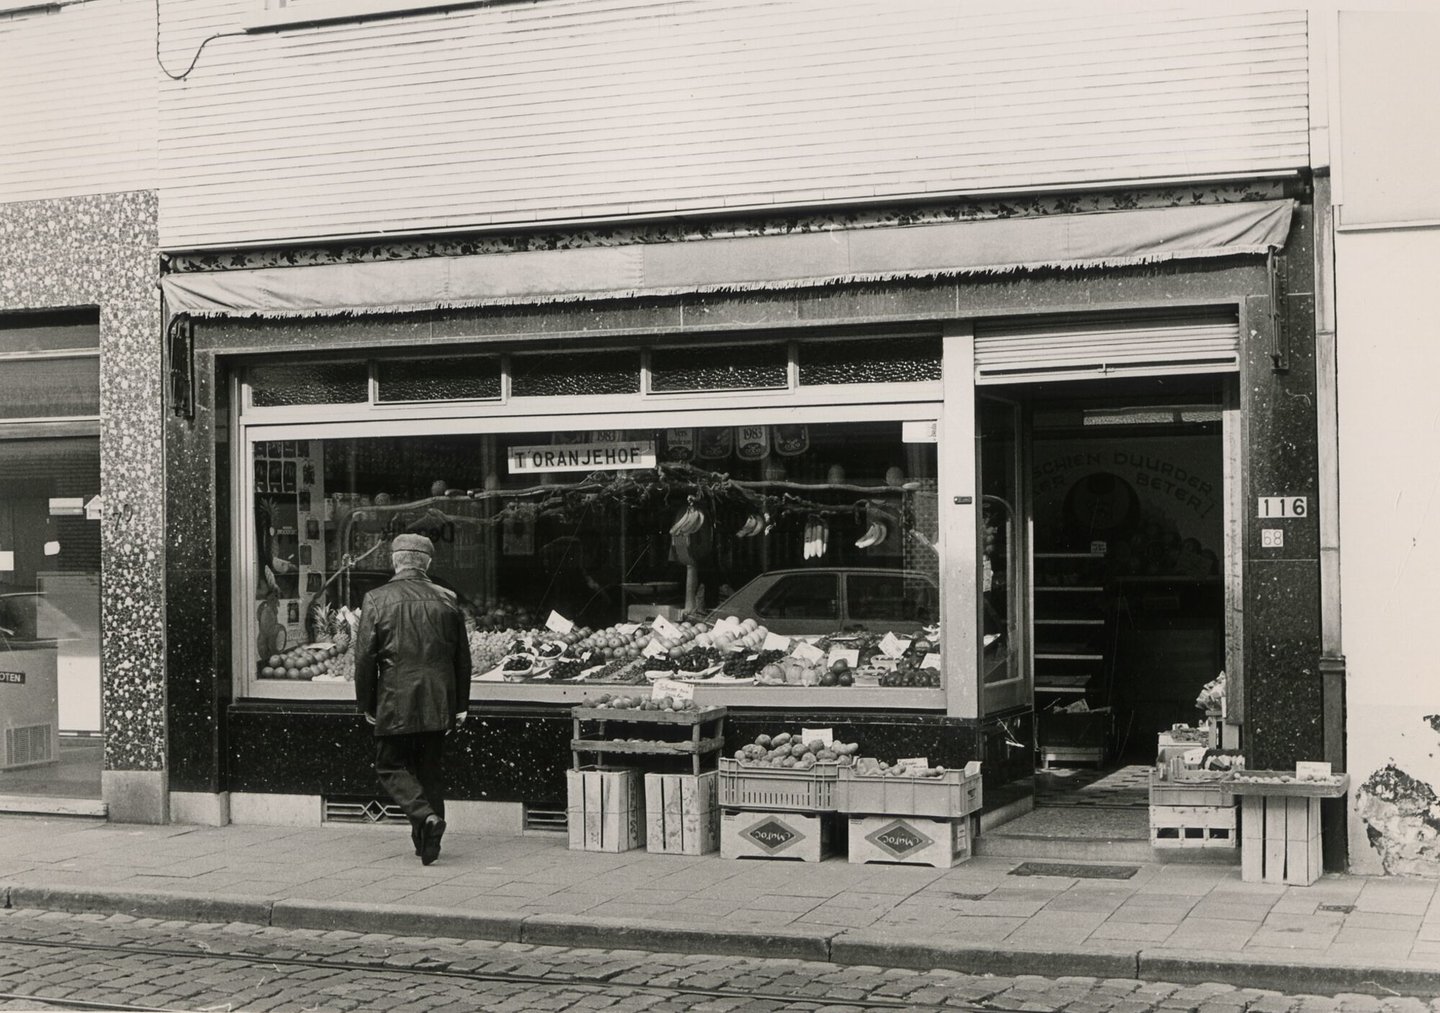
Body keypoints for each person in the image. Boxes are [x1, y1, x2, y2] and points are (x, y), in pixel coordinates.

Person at [354, 534, 472, 866]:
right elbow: (462, 658)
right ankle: (427, 846)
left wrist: (366, 704)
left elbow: (364, 658)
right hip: (438, 698)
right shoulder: (447, 598)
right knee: (429, 771)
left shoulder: (377, 599)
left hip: (395, 697)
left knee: (389, 764)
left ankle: (425, 818)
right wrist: (461, 703)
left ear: (395, 561)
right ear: (428, 564)